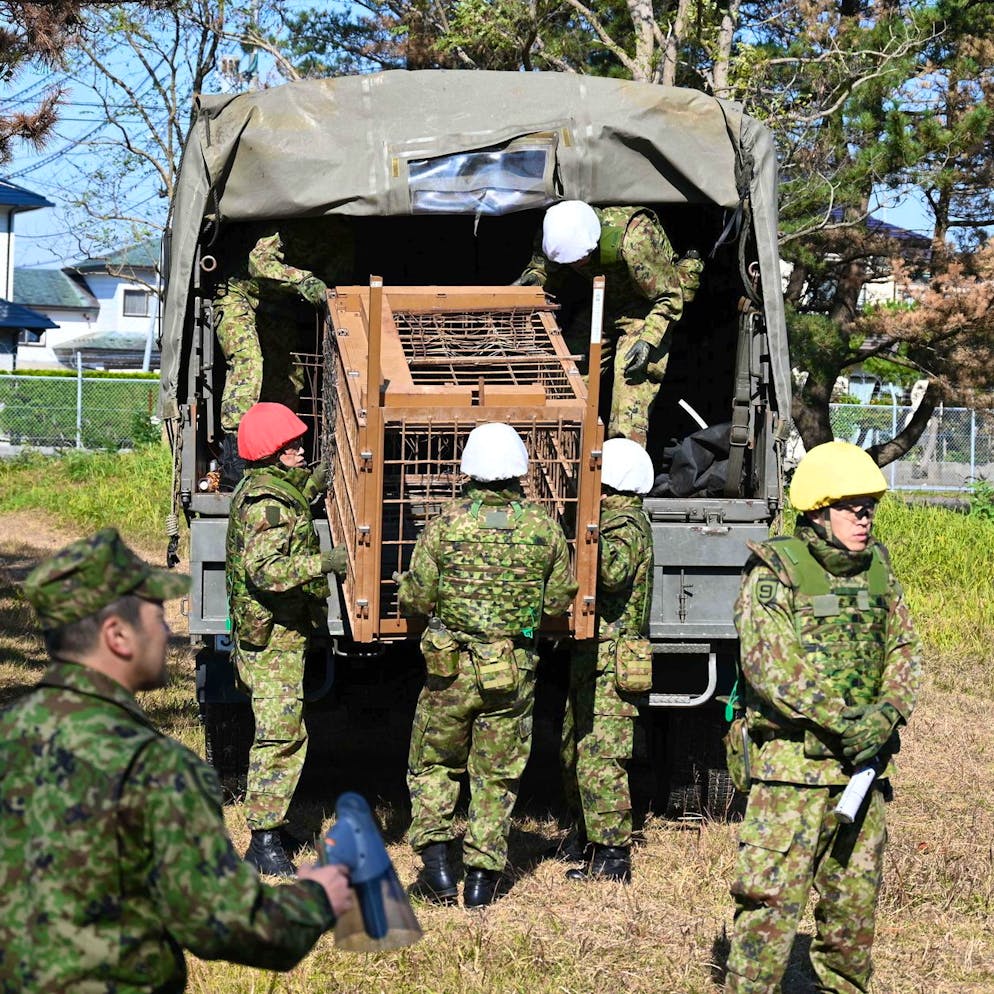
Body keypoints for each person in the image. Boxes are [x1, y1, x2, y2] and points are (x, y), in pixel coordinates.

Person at [1, 527, 354, 993]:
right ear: (117, 635)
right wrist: (318, 899)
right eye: (156, 617)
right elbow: (227, 924)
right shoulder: (157, 768)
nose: (168, 631)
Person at [724, 441, 922, 994]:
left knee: (853, 917)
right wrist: (848, 724)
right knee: (767, 912)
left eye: (869, 507)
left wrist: (887, 713)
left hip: (861, 774)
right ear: (817, 511)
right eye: (851, 507)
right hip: (792, 777)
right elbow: (773, 669)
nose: (864, 517)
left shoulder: (878, 570)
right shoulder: (774, 570)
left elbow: (905, 648)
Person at [397, 422, 578, 907]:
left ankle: (436, 869)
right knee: (496, 774)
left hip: (449, 671)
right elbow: (560, 599)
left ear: (470, 469)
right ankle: (480, 881)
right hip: (511, 671)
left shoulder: (445, 524)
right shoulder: (543, 528)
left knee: (434, 763)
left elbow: (416, 598)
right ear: (519, 469)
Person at [225, 401, 347, 876]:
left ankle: (271, 827)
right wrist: (324, 563)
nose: (299, 448)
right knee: (280, 736)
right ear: (272, 451)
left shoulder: (268, 488)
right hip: (271, 638)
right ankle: (262, 841)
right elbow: (267, 570)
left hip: (276, 634)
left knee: (285, 731)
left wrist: (317, 479)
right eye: (291, 443)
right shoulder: (268, 504)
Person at [516, 200, 703, 446]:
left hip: (646, 311)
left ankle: (621, 474)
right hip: (601, 303)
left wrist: (649, 339)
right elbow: (543, 266)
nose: (575, 266)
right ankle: (563, 457)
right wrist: (534, 280)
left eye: (580, 259)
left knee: (629, 398)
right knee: (565, 377)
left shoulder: (635, 238)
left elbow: (669, 296)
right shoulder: (556, 230)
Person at [559, 438, 655, 884]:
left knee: (601, 757)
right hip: (594, 658)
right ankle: (586, 836)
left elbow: (612, 575)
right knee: (574, 749)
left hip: (613, 660)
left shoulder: (625, 525)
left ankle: (613, 856)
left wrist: (584, 538)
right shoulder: (616, 519)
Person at [213, 218, 354, 482]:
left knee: (290, 380)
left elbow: (337, 277)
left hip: (277, 307)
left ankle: (281, 453)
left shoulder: (341, 234)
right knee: (248, 364)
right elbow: (259, 263)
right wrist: (305, 280)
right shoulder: (288, 221)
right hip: (239, 294)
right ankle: (235, 457)